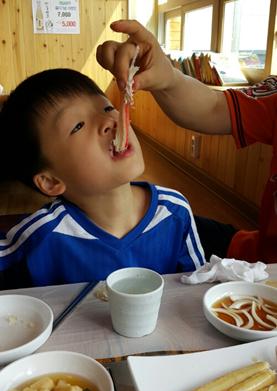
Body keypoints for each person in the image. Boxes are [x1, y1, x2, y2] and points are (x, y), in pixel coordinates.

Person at [0, 68, 205, 289]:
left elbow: (196, 289)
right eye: (78, 125)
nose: (109, 120)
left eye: (107, 107)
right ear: (51, 182)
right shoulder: (40, 234)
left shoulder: (174, 211)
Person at [96, 20, 277, 264]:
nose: (110, 122)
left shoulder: (172, 204)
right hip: (253, 252)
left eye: (108, 108)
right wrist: (166, 76)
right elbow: (212, 107)